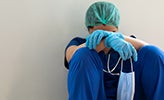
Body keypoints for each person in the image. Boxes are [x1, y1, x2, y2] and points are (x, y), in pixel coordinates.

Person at [64, 1, 164, 100]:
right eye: (100, 33)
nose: (106, 36)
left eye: (111, 32)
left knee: (153, 53)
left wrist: (117, 37)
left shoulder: (125, 45)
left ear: (117, 28)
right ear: (89, 29)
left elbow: (155, 54)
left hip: (132, 95)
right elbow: (71, 57)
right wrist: (103, 42)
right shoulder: (79, 43)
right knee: (82, 54)